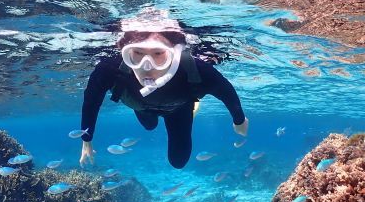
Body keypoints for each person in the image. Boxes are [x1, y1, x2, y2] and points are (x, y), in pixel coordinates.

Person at [79, 9, 248, 169]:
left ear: (175, 54)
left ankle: (193, 107)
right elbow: (91, 101)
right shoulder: (109, 69)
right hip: (141, 107)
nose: (146, 66)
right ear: (125, 52)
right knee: (149, 126)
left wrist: (239, 120)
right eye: (137, 53)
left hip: (179, 109)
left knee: (178, 161)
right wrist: (87, 139)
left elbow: (226, 92)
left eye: (159, 54)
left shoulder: (196, 69)